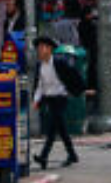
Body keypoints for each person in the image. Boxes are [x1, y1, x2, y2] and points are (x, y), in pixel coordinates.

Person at [32, 35, 82, 169]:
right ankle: (72, 154)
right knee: (59, 128)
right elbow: (39, 85)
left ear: (49, 49)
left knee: (53, 127)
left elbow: (74, 75)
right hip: (49, 98)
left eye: (42, 48)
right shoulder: (40, 66)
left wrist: (77, 90)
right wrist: (36, 100)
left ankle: (43, 156)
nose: (39, 51)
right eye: (39, 48)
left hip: (61, 97)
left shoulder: (59, 62)